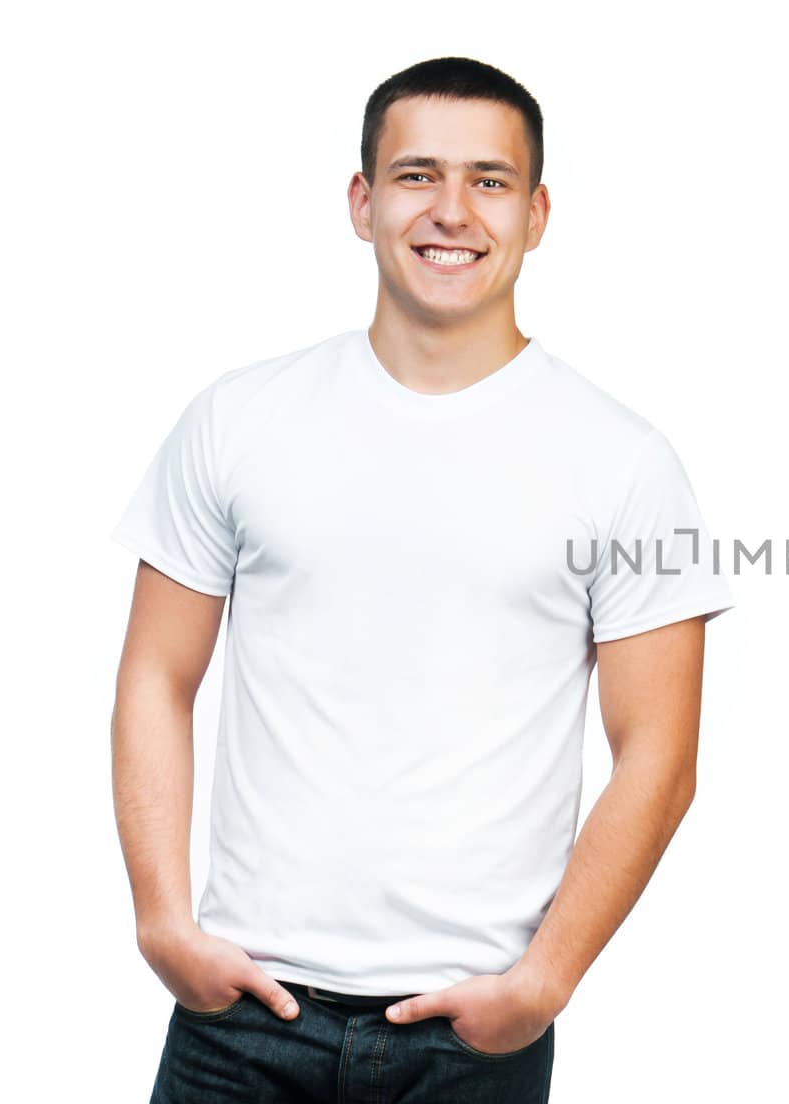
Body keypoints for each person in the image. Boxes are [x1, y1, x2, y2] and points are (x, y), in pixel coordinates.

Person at [109, 56, 732, 1103]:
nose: (451, 211)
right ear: (361, 202)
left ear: (537, 214)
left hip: (467, 1038)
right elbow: (153, 678)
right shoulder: (239, 418)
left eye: (489, 181)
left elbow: (659, 757)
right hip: (241, 1018)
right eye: (415, 176)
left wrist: (543, 984)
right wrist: (163, 923)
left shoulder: (623, 462)